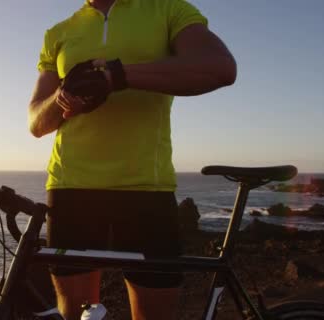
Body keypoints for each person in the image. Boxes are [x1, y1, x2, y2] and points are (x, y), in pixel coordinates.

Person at [27, 0, 236, 319]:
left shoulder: (167, 10)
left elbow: (219, 67)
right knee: (76, 316)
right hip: (71, 188)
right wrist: (63, 96)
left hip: (145, 188)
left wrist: (118, 75)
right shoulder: (59, 32)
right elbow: (36, 123)